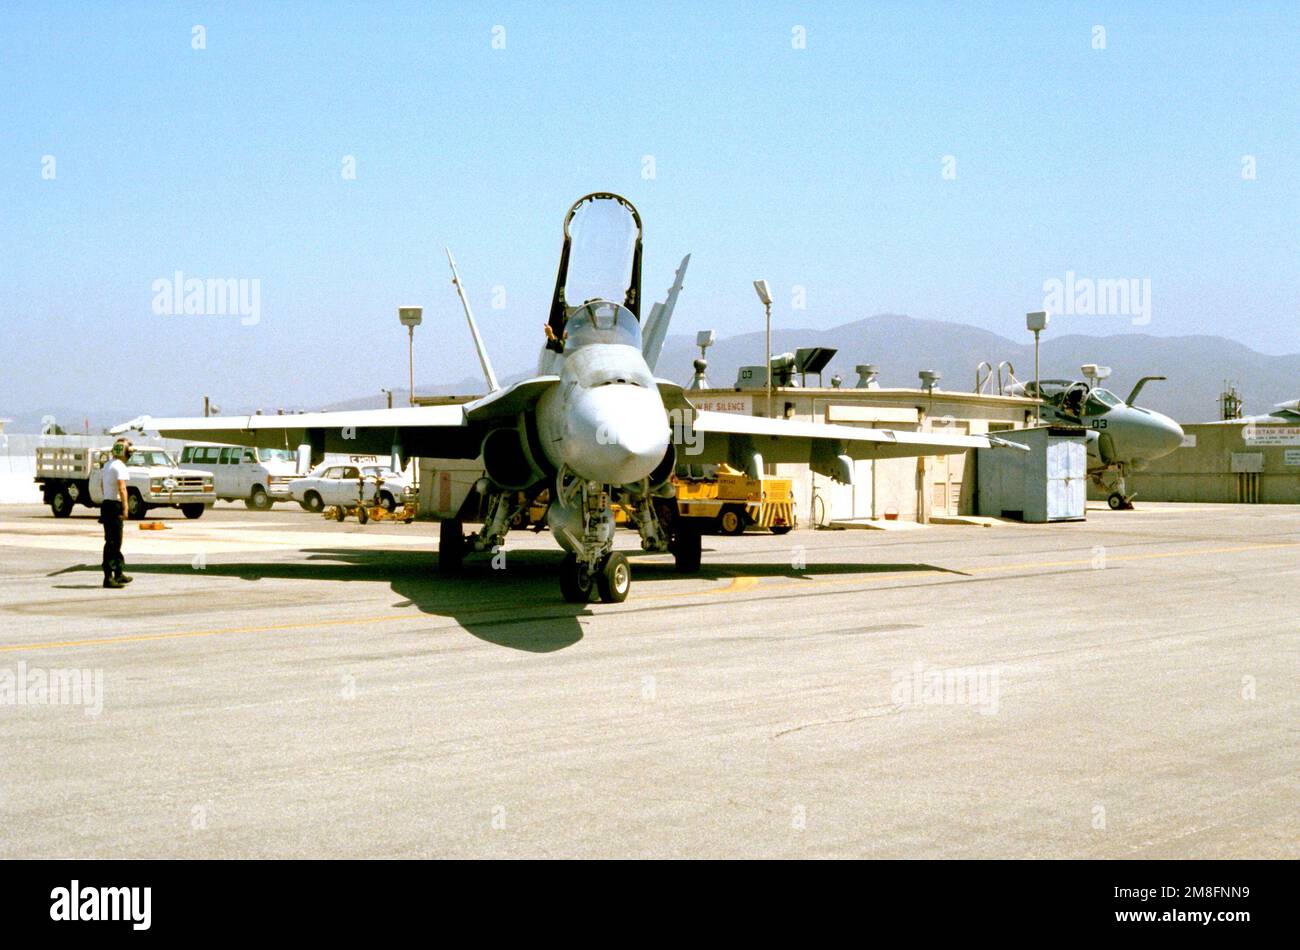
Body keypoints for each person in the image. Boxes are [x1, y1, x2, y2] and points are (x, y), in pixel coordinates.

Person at [100, 439, 133, 589]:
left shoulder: (108, 465)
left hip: (107, 503)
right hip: (114, 505)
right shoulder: (120, 466)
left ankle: (118, 573)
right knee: (113, 542)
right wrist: (125, 508)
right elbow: (122, 488)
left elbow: (102, 485)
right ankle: (108, 577)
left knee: (115, 541)